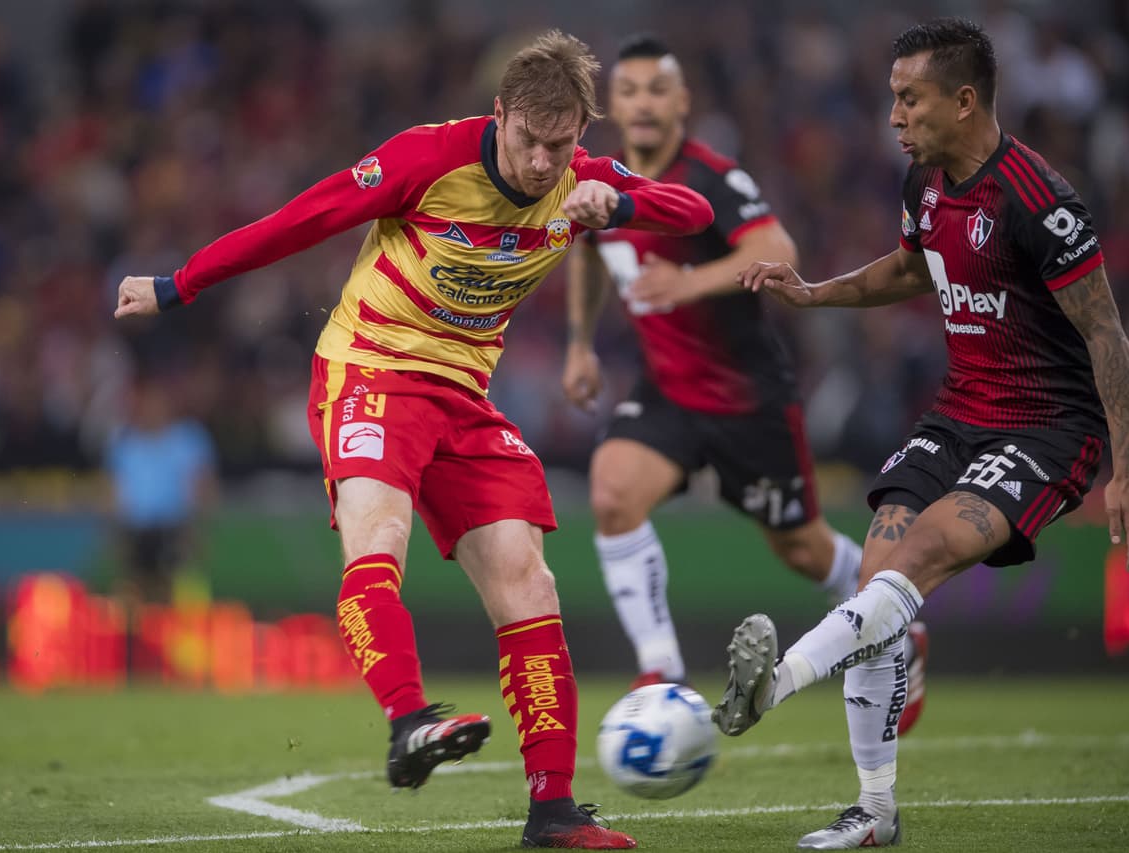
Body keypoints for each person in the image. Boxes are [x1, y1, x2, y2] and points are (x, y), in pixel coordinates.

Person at [114, 30, 714, 850]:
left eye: (561, 145)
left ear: (581, 135)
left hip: (463, 398)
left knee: (529, 582)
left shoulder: (583, 181)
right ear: (497, 115)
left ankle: (553, 810)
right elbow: (304, 218)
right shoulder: (427, 160)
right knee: (379, 537)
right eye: (528, 141)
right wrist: (176, 286)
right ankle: (408, 722)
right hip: (368, 370)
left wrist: (621, 202)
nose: (543, 163)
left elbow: (698, 210)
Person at [721, 18, 1129, 849]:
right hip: (959, 414)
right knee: (878, 578)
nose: (893, 116)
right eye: (890, 98)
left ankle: (770, 690)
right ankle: (875, 812)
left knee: (906, 566)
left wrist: (1126, 470)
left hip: (1048, 431)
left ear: (964, 100)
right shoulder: (923, 183)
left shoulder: (1040, 202)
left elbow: (1106, 333)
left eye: (909, 98)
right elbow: (913, 268)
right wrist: (813, 293)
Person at [562, 32, 926, 733]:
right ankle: (662, 670)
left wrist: (689, 282)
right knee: (612, 489)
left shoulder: (710, 177)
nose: (641, 103)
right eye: (629, 91)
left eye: (656, 90)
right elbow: (589, 248)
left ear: (681, 102)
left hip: (746, 400)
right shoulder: (597, 179)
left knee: (801, 546)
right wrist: (580, 343)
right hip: (667, 391)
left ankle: (900, 614)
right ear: (613, 103)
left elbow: (776, 249)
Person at [104, 376, 217, 606]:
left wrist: (196, 531)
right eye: (147, 403)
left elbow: (203, 489)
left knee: (177, 597)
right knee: (134, 598)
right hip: (136, 533)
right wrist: (116, 536)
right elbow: (114, 495)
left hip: (175, 531)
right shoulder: (124, 444)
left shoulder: (189, 439)